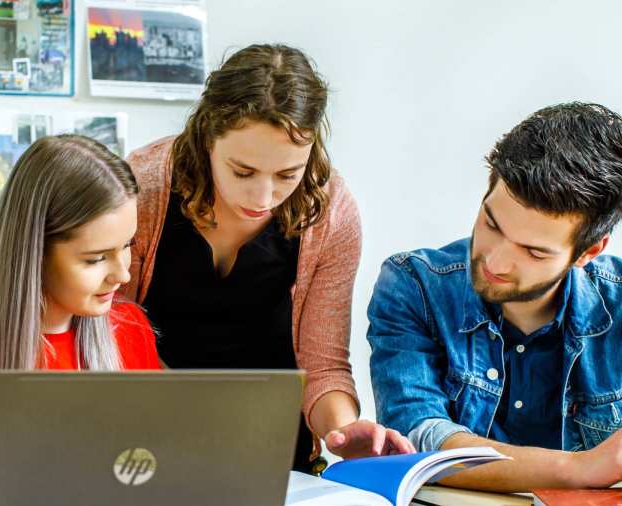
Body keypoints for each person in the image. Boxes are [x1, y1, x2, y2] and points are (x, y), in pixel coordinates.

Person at [124, 43, 414, 474]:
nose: (263, 198)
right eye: (242, 172)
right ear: (206, 139)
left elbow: (323, 365)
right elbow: (104, 331)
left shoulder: (332, 213)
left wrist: (344, 432)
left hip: (273, 458)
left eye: (287, 175)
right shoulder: (142, 188)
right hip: (144, 446)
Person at [367, 102, 622, 491]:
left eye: (533, 252)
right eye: (491, 224)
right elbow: (420, 442)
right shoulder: (415, 285)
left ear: (587, 253)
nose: (496, 260)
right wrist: (581, 467)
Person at [0, 135, 161, 506]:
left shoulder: (130, 328)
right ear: (34, 251)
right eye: (95, 259)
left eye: (128, 245)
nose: (123, 275)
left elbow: (150, 477)